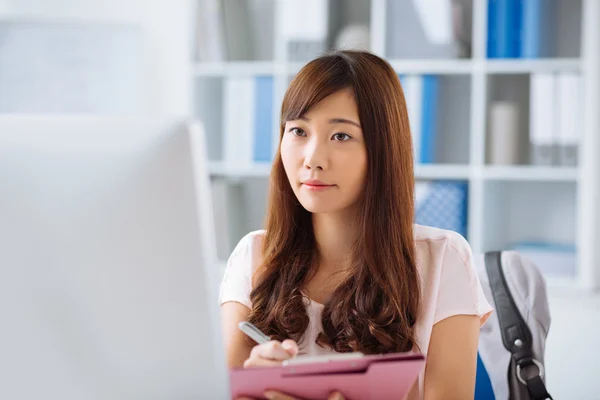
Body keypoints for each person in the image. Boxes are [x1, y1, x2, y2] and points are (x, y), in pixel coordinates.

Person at [219, 50, 493, 400]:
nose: (313, 159)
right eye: (299, 131)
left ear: (383, 149)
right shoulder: (253, 256)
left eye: (341, 136)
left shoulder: (442, 259)